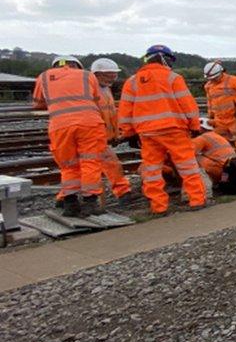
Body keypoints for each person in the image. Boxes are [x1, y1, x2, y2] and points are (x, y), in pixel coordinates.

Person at [118, 44, 206, 214]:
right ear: (163, 58)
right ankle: (197, 200)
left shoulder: (132, 81)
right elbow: (187, 104)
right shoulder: (173, 78)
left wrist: (128, 132)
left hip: (147, 133)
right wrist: (194, 126)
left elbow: (125, 110)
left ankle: (158, 207)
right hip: (174, 129)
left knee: (151, 170)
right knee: (187, 166)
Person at [33, 55, 109, 217]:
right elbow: (96, 99)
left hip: (60, 126)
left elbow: (38, 101)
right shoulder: (87, 75)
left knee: (68, 165)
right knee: (91, 161)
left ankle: (70, 203)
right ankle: (90, 203)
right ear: (76, 65)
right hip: (89, 124)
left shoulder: (44, 76)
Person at [90, 58, 135, 206]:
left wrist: (115, 135)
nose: (112, 78)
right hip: (95, 136)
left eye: (113, 75)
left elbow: (111, 115)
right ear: (97, 74)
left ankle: (65, 198)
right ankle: (123, 193)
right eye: (108, 75)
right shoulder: (90, 90)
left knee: (107, 165)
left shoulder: (105, 90)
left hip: (104, 136)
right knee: (107, 165)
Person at [203, 61, 236, 161]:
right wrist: (210, 116)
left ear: (221, 72)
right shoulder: (208, 86)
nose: (213, 80)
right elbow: (210, 102)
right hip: (219, 120)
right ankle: (226, 163)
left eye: (215, 78)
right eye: (211, 79)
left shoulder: (235, 81)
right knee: (220, 143)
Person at [190, 119, 236, 195]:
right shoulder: (217, 136)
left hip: (220, 170)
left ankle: (202, 185)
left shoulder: (202, 138)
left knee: (192, 158)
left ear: (201, 128)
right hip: (230, 169)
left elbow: (189, 151)